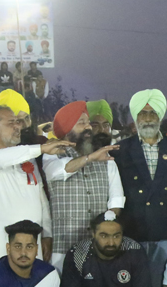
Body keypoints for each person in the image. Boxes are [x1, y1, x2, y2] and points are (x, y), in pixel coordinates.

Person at [112, 89, 167, 287]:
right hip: (133, 231)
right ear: (135, 118)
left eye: (152, 113)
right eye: (142, 113)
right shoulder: (122, 150)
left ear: (160, 117)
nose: (147, 118)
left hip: (166, 232)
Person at [0, 104, 72, 270]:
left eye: (17, 122)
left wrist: (46, 234)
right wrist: (41, 148)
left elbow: (40, 197)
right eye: (11, 123)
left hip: (33, 241)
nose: (17, 127)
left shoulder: (27, 157)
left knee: (33, 285)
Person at [42, 101, 124, 271]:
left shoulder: (105, 158)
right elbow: (60, 170)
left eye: (88, 123)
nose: (88, 127)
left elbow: (116, 199)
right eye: (81, 123)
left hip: (98, 250)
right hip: (63, 248)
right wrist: (90, 158)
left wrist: (107, 230)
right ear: (67, 130)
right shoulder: (52, 156)